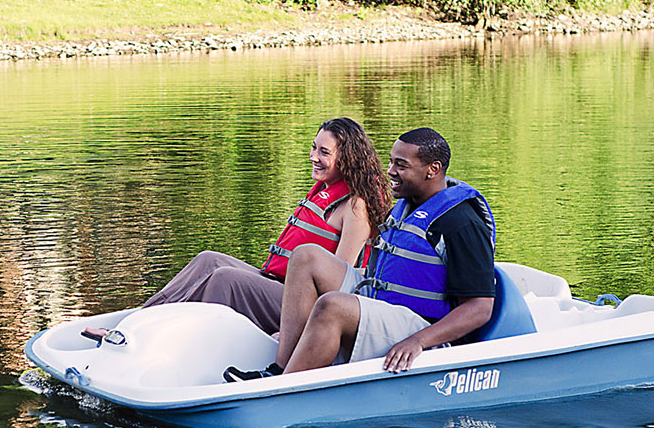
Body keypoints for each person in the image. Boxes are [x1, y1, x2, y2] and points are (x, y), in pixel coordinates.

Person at [225, 127, 495, 379]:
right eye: (391, 162)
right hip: (384, 302)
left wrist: (418, 340)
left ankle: (284, 389)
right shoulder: (407, 206)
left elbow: (479, 308)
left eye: (401, 165)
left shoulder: (462, 223)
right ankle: (280, 368)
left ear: (432, 170)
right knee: (306, 256)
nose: (390, 171)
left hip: (422, 326)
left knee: (333, 305)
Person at [140, 117, 393, 335]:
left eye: (324, 152)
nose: (313, 157)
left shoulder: (356, 206)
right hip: (278, 284)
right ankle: (142, 319)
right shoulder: (326, 190)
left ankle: (192, 340)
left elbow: (341, 282)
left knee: (225, 279)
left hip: (304, 304)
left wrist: (297, 332)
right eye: (314, 147)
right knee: (208, 260)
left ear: (348, 159)